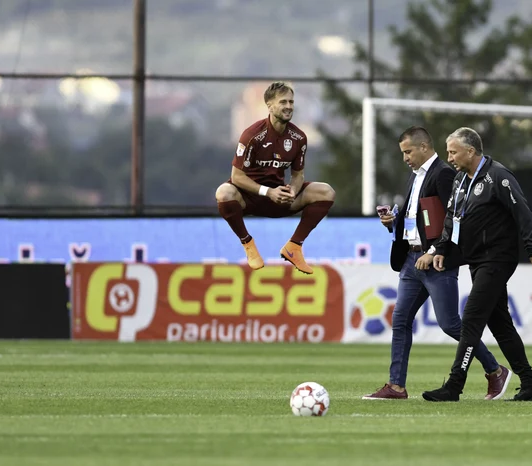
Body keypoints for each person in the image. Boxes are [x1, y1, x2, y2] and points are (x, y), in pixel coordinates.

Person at [363, 126, 512, 401]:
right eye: (403, 153)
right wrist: (392, 223)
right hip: (411, 259)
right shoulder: (415, 176)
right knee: (400, 321)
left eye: (408, 152)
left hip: (436, 261)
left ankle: (495, 370)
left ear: (423, 147)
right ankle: (396, 386)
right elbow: (417, 218)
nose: (405, 158)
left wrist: (434, 251)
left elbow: (455, 218)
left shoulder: (443, 174)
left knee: (450, 324)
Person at [421, 127, 532, 402]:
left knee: (471, 319)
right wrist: (443, 247)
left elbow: (522, 212)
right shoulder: (459, 180)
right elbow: (452, 217)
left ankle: (454, 385)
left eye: (453, 152)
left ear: (471, 151)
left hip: (497, 259)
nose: (449, 157)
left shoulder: (498, 177)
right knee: (500, 324)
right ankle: (531, 384)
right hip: (477, 260)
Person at [215, 82, 335, 274]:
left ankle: (294, 247)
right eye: (283, 102)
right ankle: (248, 244)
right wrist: (267, 192)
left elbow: (298, 175)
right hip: (250, 198)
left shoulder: (299, 138)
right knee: (224, 192)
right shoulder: (252, 135)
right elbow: (236, 177)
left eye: (291, 102)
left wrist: (293, 191)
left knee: (325, 191)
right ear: (269, 106)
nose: (289, 106)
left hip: (279, 198)